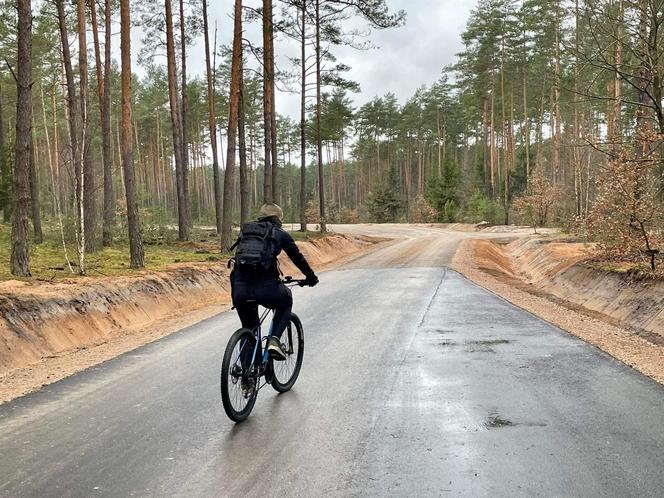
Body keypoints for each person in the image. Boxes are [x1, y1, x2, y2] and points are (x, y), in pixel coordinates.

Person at [230, 203, 319, 365]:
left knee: (249, 328)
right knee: (286, 299)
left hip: (240, 289)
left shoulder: (247, 232)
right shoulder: (279, 234)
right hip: (266, 289)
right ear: (278, 218)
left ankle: (247, 377)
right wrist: (311, 277)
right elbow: (297, 258)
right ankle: (274, 340)